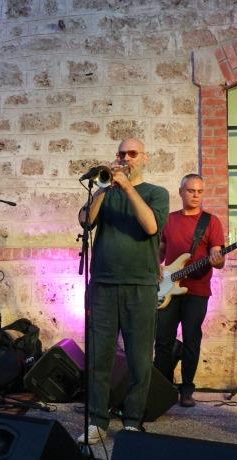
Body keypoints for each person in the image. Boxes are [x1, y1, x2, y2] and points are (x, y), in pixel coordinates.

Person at [79, 138, 169, 443]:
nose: (126, 158)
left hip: (140, 286)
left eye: (132, 153)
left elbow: (151, 227)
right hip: (103, 285)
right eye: (121, 154)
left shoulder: (156, 193)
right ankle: (97, 421)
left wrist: (128, 187)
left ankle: (132, 421)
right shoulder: (106, 193)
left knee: (139, 359)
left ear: (144, 158)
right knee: (98, 357)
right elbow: (85, 221)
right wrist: (103, 188)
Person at [153, 174, 225, 408]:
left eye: (200, 191)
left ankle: (186, 390)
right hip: (168, 289)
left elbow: (218, 257)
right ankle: (162, 388)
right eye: (191, 190)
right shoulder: (169, 220)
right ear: (181, 192)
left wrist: (217, 260)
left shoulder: (211, 222)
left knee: (192, 339)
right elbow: (160, 251)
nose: (196, 195)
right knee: (162, 340)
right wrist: (155, 267)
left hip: (197, 290)